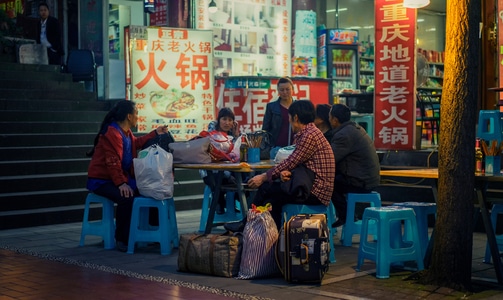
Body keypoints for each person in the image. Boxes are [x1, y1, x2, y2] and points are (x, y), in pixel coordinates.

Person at [225, 100, 335, 230]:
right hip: (308, 186)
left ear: (295, 117)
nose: (289, 121)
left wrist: (263, 176)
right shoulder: (310, 133)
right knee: (271, 200)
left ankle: (247, 225)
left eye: (289, 117)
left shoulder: (309, 136)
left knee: (266, 187)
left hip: (315, 192)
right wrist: (286, 172)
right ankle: (269, 236)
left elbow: (291, 161)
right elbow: (298, 163)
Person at [86, 100, 170, 252]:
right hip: (101, 180)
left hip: (117, 177)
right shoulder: (112, 133)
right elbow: (113, 162)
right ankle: (122, 239)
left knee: (150, 190)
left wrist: (155, 133)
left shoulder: (126, 132)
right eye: (136, 113)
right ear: (129, 116)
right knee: (126, 198)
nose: (138, 116)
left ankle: (153, 232)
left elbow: (136, 143)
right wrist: (121, 184)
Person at [328, 104, 380, 228]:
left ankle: (346, 216)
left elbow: (330, 159)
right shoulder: (354, 128)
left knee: (328, 184)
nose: (328, 119)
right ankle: (347, 215)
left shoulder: (343, 135)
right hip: (367, 178)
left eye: (329, 117)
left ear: (335, 119)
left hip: (360, 181)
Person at [200, 107, 240, 214]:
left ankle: (234, 204)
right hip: (210, 174)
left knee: (244, 179)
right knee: (225, 179)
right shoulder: (212, 135)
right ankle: (219, 204)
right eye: (224, 119)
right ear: (219, 120)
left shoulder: (231, 136)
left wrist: (236, 136)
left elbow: (236, 153)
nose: (227, 123)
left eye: (230, 120)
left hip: (229, 171)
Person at [262, 77, 295, 159]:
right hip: (277, 149)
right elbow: (265, 129)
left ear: (292, 89)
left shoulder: (298, 106)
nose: (285, 92)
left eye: (287, 89)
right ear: (278, 91)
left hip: (295, 148)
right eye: (282, 90)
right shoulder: (271, 107)